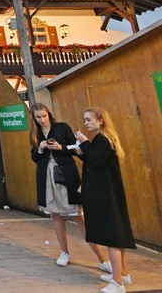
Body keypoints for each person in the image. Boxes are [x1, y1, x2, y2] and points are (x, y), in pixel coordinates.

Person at [29, 103, 107, 268]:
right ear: (33, 118)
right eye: (38, 117)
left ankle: (102, 259)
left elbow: (77, 149)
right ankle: (64, 252)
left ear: (49, 114)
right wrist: (41, 148)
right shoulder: (35, 133)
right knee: (55, 215)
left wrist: (60, 147)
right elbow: (34, 158)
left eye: (44, 115)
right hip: (46, 177)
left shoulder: (61, 127)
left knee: (77, 216)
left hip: (64, 174)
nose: (42, 120)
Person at [74, 107, 135, 293]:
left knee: (112, 238)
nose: (86, 124)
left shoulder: (103, 139)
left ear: (100, 121)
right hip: (106, 193)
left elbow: (97, 160)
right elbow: (95, 160)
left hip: (106, 195)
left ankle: (118, 283)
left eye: (89, 120)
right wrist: (82, 151)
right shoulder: (102, 139)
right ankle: (122, 273)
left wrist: (84, 144)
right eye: (85, 120)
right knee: (115, 237)